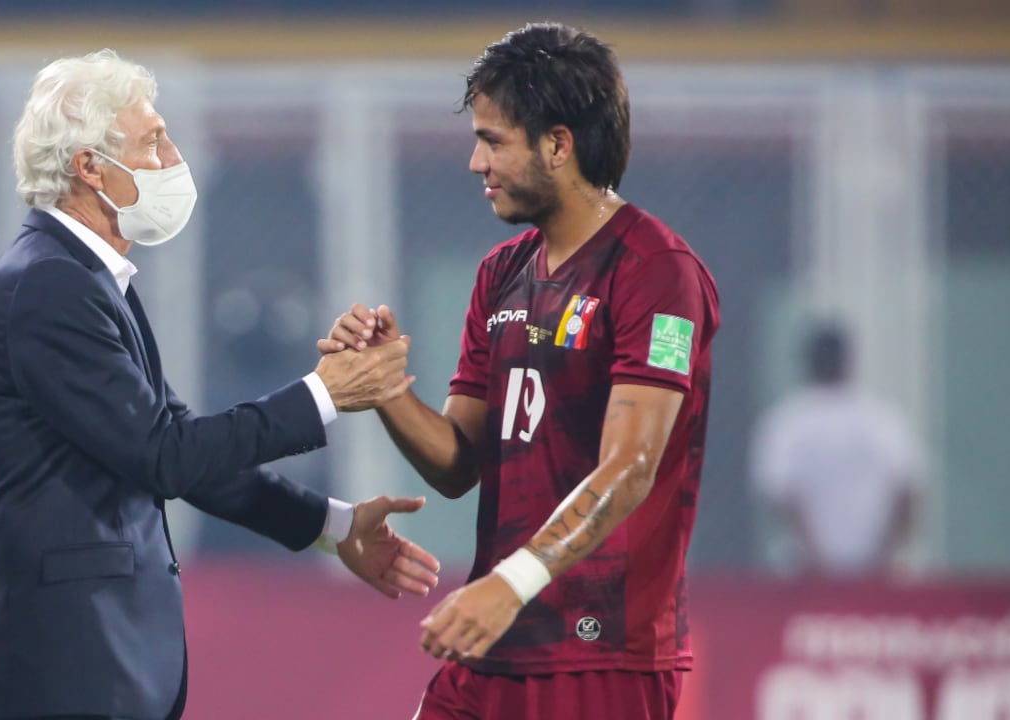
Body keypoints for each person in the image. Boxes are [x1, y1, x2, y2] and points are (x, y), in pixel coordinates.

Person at [0, 49, 440, 720]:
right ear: (90, 167)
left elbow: (184, 461)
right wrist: (326, 393)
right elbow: (165, 456)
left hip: (95, 662)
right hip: (66, 664)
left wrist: (331, 527)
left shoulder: (85, 280)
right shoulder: (49, 285)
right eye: (153, 141)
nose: (172, 158)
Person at [320, 22, 719, 720]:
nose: (477, 162)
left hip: (601, 652)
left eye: (494, 140)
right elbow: (457, 463)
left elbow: (631, 466)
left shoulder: (659, 274)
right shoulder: (501, 275)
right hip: (495, 639)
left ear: (558, 145)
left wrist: (511, 584)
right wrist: (384, 387)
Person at [750, 322, 923, 578]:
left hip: (809, 569)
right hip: (865, 569)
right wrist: (882, 556)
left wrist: (817, 556)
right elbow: (907, 493)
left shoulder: (788, 421)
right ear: (850, 362)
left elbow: (782, 497)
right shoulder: (880, 418)